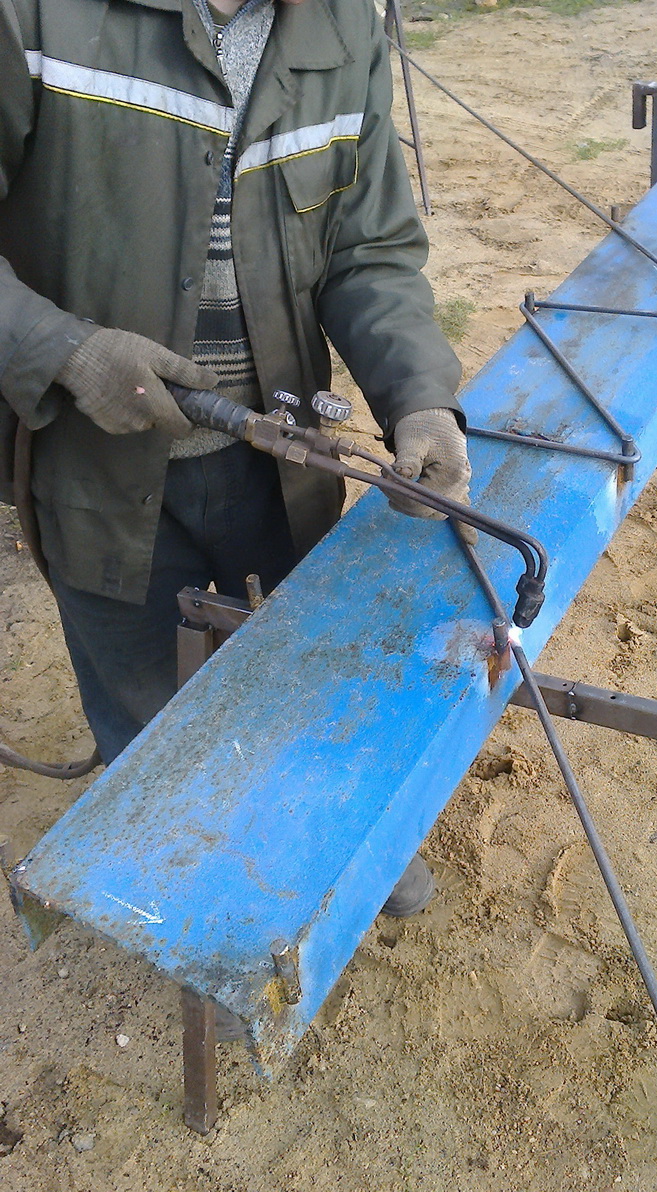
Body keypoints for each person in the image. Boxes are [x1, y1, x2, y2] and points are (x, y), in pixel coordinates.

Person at [0, 0, 469, 916]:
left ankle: (344, 841)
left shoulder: (341, 26)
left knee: (307, 664)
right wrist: (63, 350)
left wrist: (419, 396)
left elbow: (369, 251)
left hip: (279, 463)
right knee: (151, 723)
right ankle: (202, 900)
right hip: (96, 474)